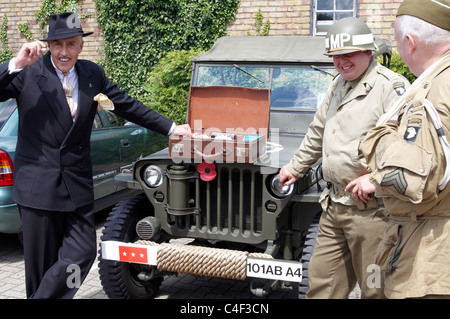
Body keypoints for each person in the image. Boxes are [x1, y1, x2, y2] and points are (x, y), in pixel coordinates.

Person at [0, 12, 191, 299]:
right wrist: (15, 64)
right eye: (57, 44)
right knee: (40, 268)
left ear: (80, 46)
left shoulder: (92, 74)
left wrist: (173, 127)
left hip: (76, 184)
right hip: (37, 187)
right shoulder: (28, 72)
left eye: (71, 44)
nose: (64, 52)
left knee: (84, 250)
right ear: (49, 45)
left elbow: (127, 105)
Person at [278, 17, 410, 298]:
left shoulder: (392, 87)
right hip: (334, 205)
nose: (341, 61)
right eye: (336, 56)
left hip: (374, 212)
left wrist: (376, 178)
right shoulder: (338, 84)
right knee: (322, 287)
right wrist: (295, 167)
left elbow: (409, 147)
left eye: (348, 54)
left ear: (368, 52)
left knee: (376, 290)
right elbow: (318, 130)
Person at [360, 0, 450, 299]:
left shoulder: (433, 91)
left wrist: (379, 138)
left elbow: (408, 181)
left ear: (410, 42)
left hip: (430, 254)